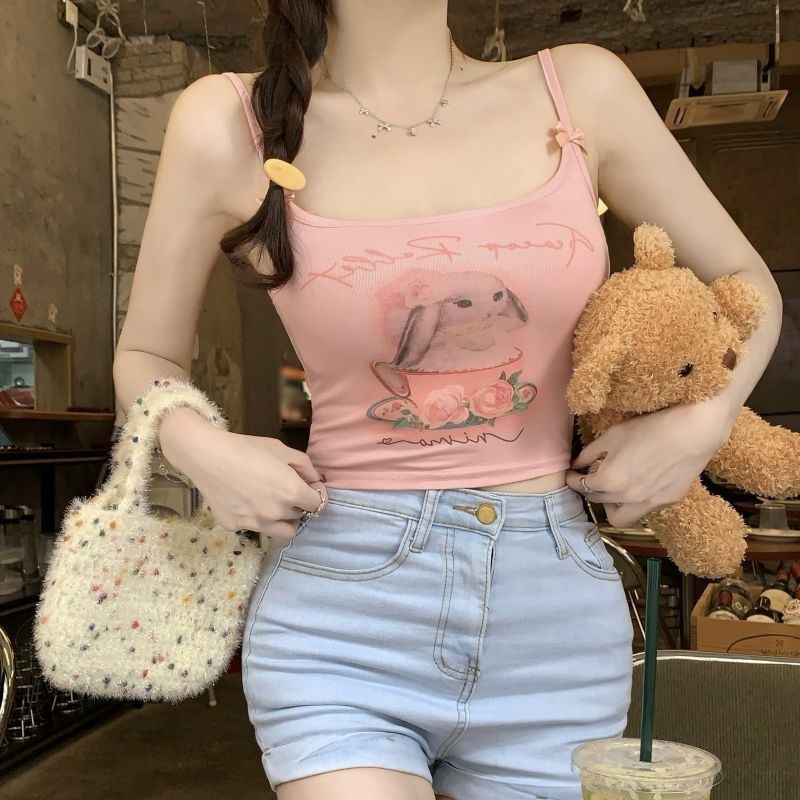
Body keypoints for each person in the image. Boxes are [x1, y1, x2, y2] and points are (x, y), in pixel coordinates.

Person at [113, 2, 783, 798]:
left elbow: (748, 286)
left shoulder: (580, 90)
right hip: (343, 611)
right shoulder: (227, 121)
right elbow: (145, 355)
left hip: (553, 623)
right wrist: (201, 449)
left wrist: (700, 425)